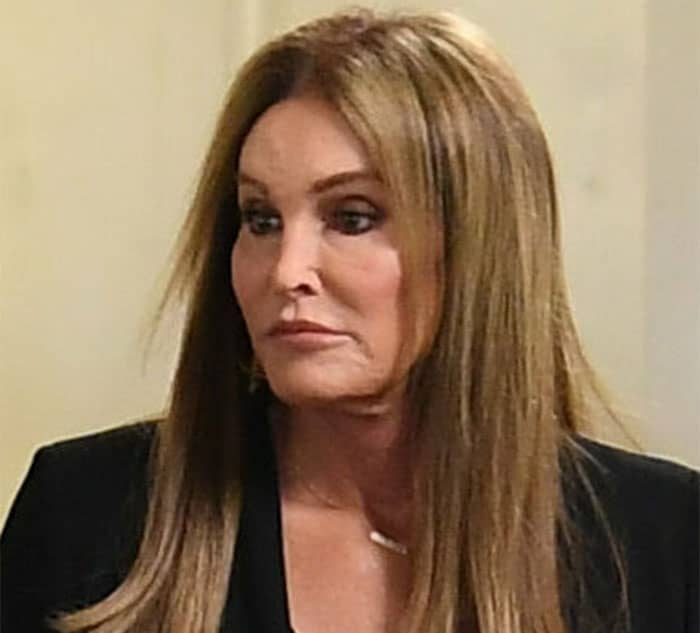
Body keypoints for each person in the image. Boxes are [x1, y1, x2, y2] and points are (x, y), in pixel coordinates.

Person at [1, 8, 697, 633]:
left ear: (479, 248)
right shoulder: (87, 514)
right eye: (260, 219)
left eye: (352, 218)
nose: (286, 270)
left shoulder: (661, 542)